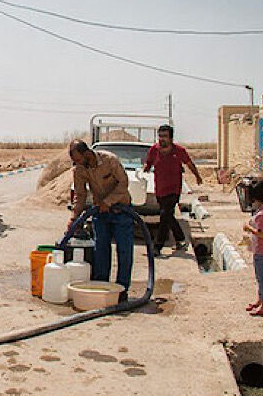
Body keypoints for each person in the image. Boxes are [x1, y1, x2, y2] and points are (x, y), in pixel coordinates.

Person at [68, 139, 133, 300]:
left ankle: (122, 291)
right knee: (101, 251)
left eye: (78, 160)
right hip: (100, 214)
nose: (76, 164)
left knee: (124, 251)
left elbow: (123, 184)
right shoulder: (79, 170)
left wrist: (108, 202)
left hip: (121, 211)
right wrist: (74, 218)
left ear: (87, 154)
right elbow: (80, 195)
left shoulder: (109, 160)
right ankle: (101, 289)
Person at [143, 124, 203, 255]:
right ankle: (180, 239)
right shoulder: (154, 150)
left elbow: (189, 163)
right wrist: (145, 169)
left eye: (164, 136)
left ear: (171, 138)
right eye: (160, 136)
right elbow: (148, 163)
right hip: (160, 189)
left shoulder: (179, 151)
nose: (161, 139)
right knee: (168, 215)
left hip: (174, 189)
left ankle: (157, 247)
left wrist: (197, 176)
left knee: (165, 214)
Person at [243, 180, 263, 317]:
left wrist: (249, 228)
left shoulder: (262, 215)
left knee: (261, 277)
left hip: (261, 251)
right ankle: (260, 300)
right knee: (260, 276)